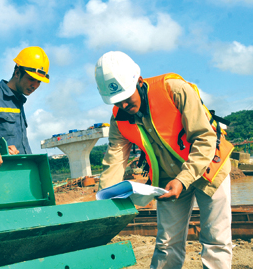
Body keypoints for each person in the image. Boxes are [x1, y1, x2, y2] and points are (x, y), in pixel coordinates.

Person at [94, 51, 234, 269]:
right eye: (117, 102)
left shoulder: (174, 90)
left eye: (126, 98)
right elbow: (114, 159)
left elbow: (205, 138)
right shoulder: (119, 118)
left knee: (215, 239)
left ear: (139, 81)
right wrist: (105, 199)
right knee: (167, 243)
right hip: (169, 179)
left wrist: (183, 179)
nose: (123, 106)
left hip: (209, 167)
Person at [0, 46, 50, 155]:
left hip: (24, 167)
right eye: (31, 79)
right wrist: (0, 150)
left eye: (39, 82)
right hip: (1, 170)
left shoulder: (19, 102)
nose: (35, 85)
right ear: (17, 73)